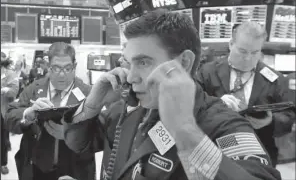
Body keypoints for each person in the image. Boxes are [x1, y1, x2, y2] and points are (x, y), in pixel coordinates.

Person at [62, 10, 281, 180]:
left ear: (184, 62)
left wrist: (185, 131)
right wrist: (92, 103)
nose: (130, 77)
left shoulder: (222, 124)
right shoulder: (128, 108)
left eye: (143, 62)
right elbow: (79, 143)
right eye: (129, 63)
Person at [197, 21, 295, 167]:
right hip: (214, 150)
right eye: (242, 51)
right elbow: (193, 102)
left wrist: (270, 121)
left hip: (258, 154)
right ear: (231, 44)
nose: (248, 58)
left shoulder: (275, 78)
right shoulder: (207, 72)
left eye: (255, 52)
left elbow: (290, 114)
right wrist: (215, 103)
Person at [6, 42, 95, 180]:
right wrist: (28, 113)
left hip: (75, 169)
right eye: (56, 68)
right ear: (49, 66)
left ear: (75, 66)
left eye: (67, 68)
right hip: (35, 168)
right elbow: (9, 116)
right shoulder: (35, 88)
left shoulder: (87, 93)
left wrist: (72, 134)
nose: (61, 75)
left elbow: (99, 132)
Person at [1, 53, 19, 175]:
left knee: (2, 140)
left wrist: (3, 89)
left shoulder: (10, 74)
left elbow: (14, 91)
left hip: (2, 112)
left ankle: (2, 164)